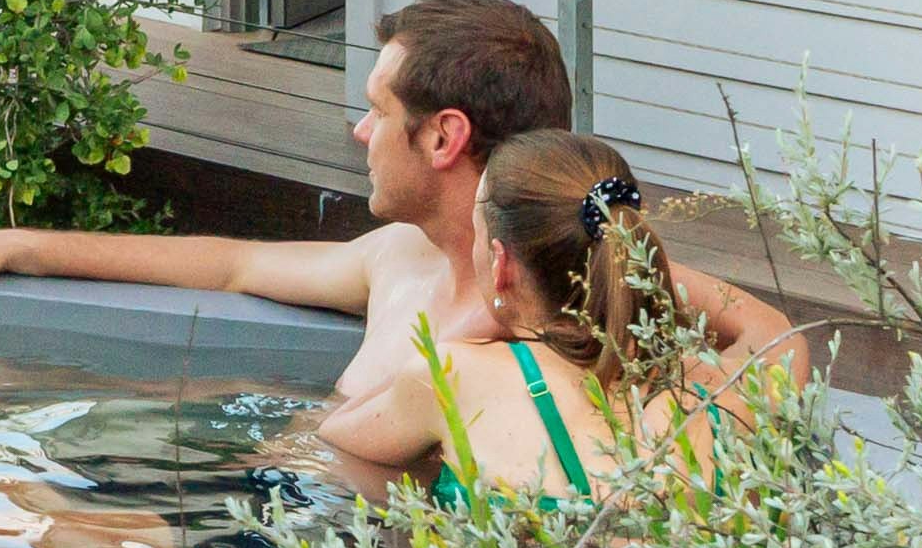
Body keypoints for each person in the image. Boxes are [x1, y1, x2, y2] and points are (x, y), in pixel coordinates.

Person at [0, 0, 795, 487]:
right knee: (2, 488)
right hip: (263, 496)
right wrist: (18, 246)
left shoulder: (572, 302)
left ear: (443, 136)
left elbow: (772, 339)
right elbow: (230, 263)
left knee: (30, 526)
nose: (359, 132)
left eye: (377, 111)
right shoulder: (398, 261)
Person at [333, 129, 792, 503]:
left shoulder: (452, 375)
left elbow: (336, 433)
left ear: (501, 263)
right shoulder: (731, 389)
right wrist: (645, 273)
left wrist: (484, 316)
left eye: (477, 233)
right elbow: (775, 331)